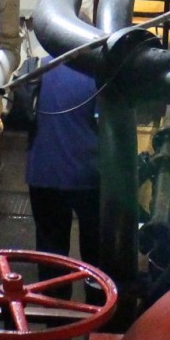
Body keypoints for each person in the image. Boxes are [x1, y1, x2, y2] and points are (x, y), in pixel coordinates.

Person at [25, 62, 103, 267]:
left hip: (44, 172)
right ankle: (97, 297)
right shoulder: (98, 73)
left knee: (51, 255)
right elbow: (106, 125)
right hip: (87, 175)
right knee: (95, 255)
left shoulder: (40, 67)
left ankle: (53, 297)